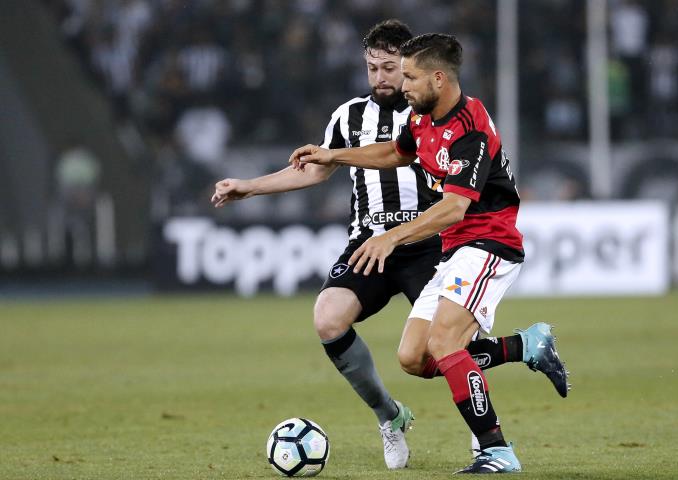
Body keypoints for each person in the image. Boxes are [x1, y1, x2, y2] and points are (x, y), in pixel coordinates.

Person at [213, 22, 567, 471]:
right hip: (381, 242)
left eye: (400, 71)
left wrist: (394, 235)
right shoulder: (394, 117)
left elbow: (456, 207)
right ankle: (514, 352)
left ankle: (493, 447)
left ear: (427, 74)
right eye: (375, 68)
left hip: (452, 241)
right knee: (411, 357)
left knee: (448, 343)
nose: (388, 78)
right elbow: (395, 153)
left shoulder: (466, 126)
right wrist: (328, 156)